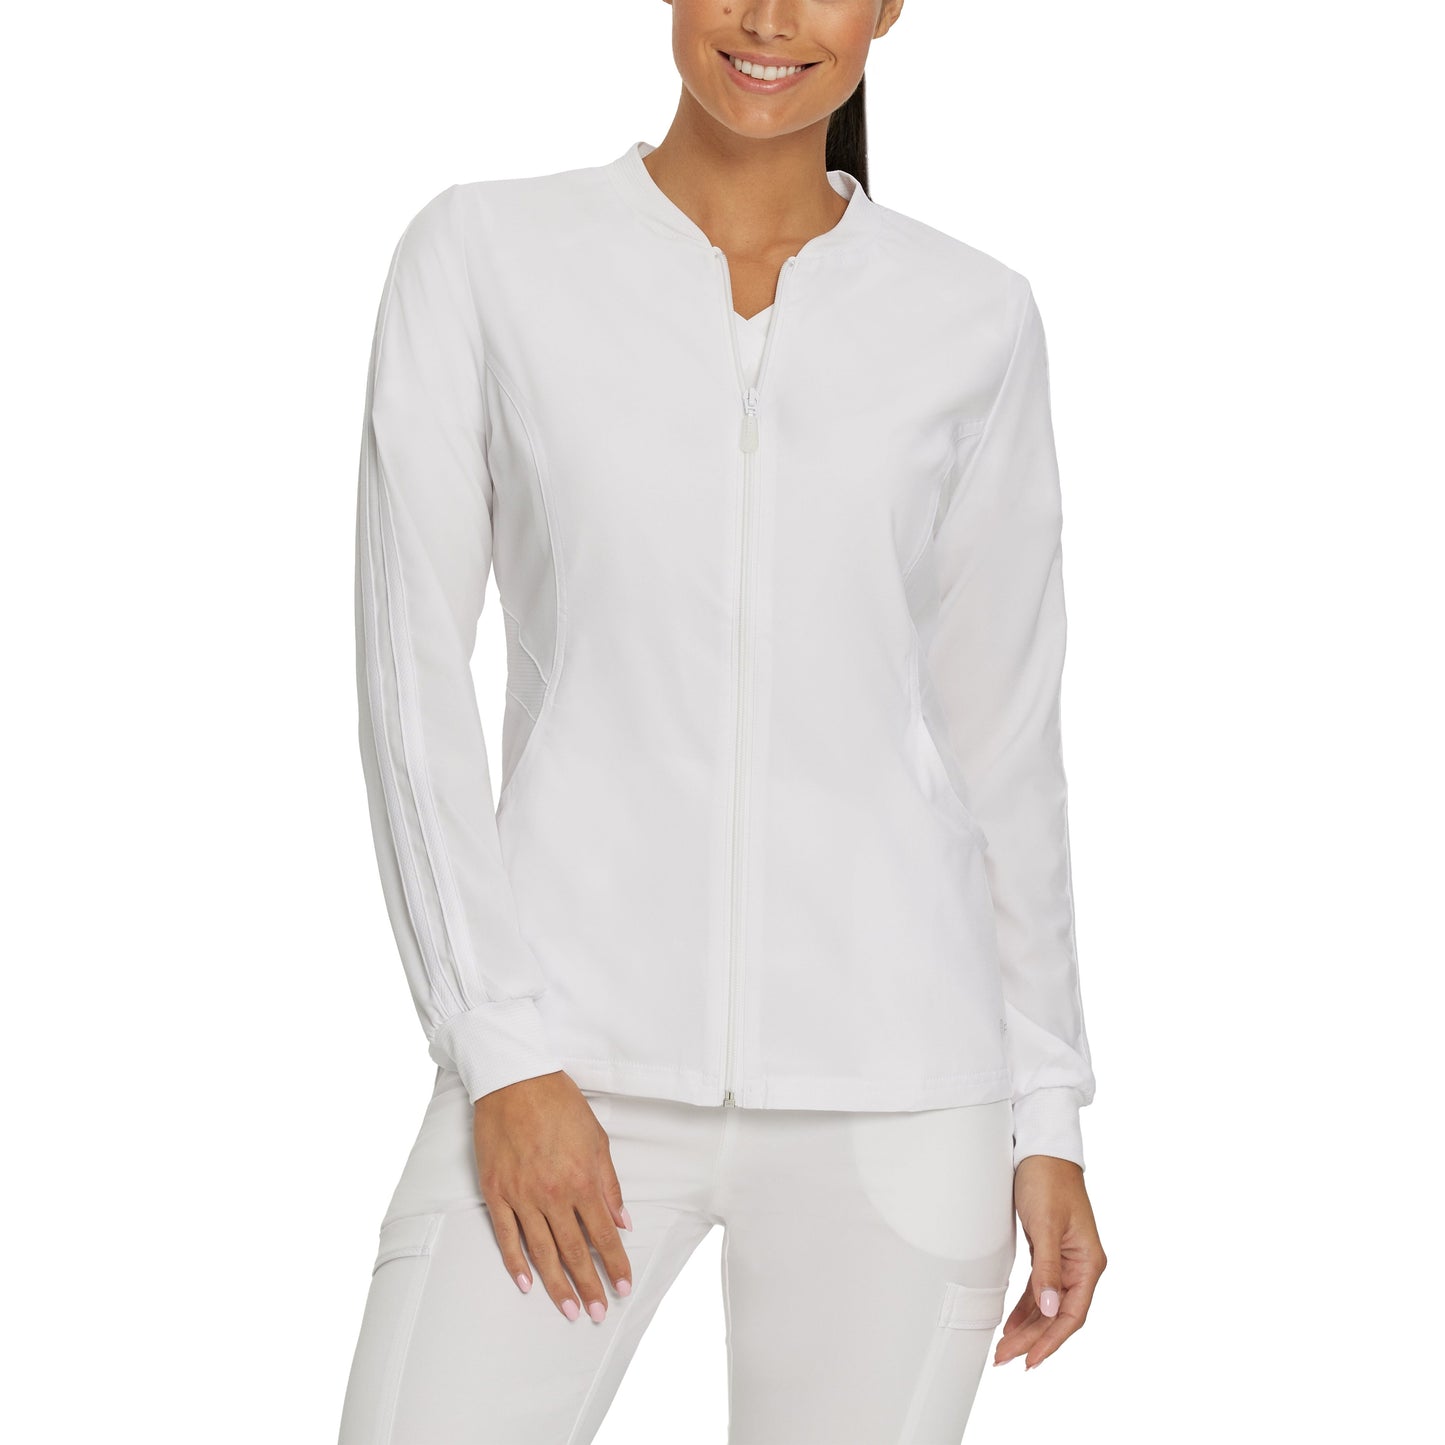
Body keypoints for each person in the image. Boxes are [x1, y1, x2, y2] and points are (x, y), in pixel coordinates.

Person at [339, 3, 1106, 1440]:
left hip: (902, 1091)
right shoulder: (486, 255)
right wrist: (500, 1051)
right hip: (568, 1062)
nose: (767, 17)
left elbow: (1003, 739)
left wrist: (1047, 1113)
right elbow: (409, 677)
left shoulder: (973, 316)